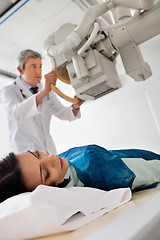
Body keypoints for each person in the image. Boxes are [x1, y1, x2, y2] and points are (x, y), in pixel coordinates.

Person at [1, 144, 160, 203]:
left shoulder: (62, 165)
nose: (51, 158)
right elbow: (153, 170)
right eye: (46, 173)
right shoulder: (99, 172)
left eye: (37, 154)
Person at [1, 49, 84, 154]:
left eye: (40, 66)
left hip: (48, 151)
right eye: (33, 66)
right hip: (25, 154)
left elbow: (63, 114)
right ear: (20, 70)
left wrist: (75, 107)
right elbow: (16, 113)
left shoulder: (47, 91)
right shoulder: (9, 91)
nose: (38, 71)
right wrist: (43, 92)